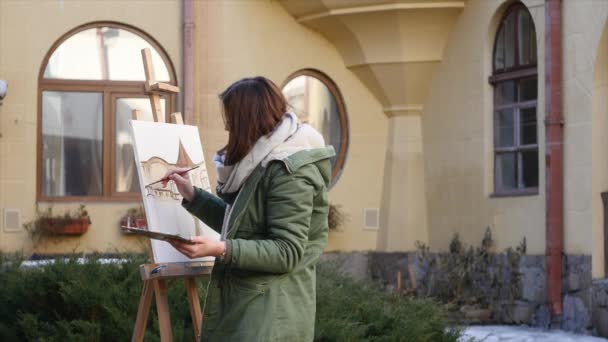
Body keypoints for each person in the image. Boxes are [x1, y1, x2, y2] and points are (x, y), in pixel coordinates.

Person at [164, 76, 335, 341]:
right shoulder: (263, 161)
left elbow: (286, 251)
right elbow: (243, 223)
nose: (228, 128)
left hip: (270, 319)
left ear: (247, 120)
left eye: (231, 121)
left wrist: (221, 248)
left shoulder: (288, 170)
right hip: (253, 311)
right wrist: (192, 195)